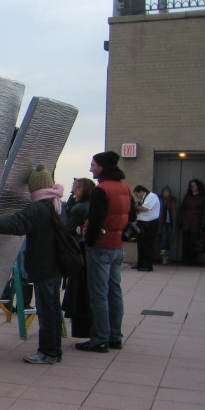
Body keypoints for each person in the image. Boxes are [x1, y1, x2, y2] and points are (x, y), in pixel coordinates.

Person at [0, 164, 65, 364]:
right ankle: (54, 351)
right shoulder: (57, 204)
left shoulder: (39, 208)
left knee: (46, 310)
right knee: (53, 308)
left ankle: (47, 352)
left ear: (33, 187)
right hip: (57, 264)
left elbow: (17, 223)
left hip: (44, 265)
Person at [77, 151, 131, 353]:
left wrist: (87, 241)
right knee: (114, 292)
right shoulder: (124, 187)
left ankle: (100, 339)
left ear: (102, 166)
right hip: (117, 246)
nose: (91, 168)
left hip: (100, 247)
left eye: (93, 165)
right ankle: (115, 337)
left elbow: (96, 221)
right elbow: (132, 216)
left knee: (99, 295)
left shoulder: (101, 190)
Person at [63, 178, 95, 338]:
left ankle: (81, 328)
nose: (74, 190)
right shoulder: (91, 205)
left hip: (78, 252)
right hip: (88, 252)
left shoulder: (79, 208)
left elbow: (67, 230)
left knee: (77, 292)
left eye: (78, 188)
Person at [178, 178, 205, 266]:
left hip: (196, 222)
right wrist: (180, 220)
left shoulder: (203, 197)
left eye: (194, 185)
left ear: (198, 186)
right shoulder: (188, 196)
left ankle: (192, 260)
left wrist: (203, 223)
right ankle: (185, 259)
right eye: (191, 186)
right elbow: (182, 209)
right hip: (186, 222)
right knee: (185, 242)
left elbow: (204, 211)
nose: (192, 187)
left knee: (193, 242)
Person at [132, 185, 160, 271]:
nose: (137, 197)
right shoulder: (145, 198)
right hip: (142, 223)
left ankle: (147, 265)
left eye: (137, 194)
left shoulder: (151, 196)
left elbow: (144, 208)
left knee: (147, 245)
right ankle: (140, 263)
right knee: (140, 244)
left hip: (149, 224)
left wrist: (133, 207)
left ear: (140, 191)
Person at [158, 186, 177, 265]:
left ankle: (167, 255)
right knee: (163, 239)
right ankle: (163, 256)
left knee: (169, 239)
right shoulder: (160, 200)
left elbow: (174, 212)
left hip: (170, 222)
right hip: (162, 223)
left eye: (166, 192)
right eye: (164, 192)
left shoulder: (172, 201)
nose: (165, 193)